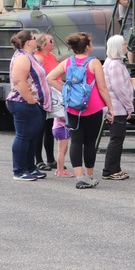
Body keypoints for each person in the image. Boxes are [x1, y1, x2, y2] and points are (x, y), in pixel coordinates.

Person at [46, 32, 113, 189]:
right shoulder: (94, 63)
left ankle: (79, 176)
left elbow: (49, 77)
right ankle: (89, 175)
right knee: (90, 142)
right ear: (88, 47)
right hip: (92, 106)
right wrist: (110, 107)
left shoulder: (68, 62)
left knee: (76, 141)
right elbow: (102, 88)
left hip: (72, 108)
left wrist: (64, 90)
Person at [6, 30, 51, 182]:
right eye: (33, 38)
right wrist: (30, 99)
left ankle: (30, 167)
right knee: (24, 136)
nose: (36, 39)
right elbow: (19, 81)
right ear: (28, 42)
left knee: (31, 137)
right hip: (22, 102)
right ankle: (19, 170)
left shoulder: (29, 56)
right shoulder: (22, 58)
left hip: (32, 103)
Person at [101, 35, 134, 181]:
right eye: (124, 44)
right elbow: (119, 88)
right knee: (117, 138)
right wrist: (129, 106)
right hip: (117, 107)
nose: (127, 46)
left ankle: (115, 168)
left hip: (114, 106)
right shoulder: (115, 65)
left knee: (117, 138)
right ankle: (109, 170)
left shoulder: (112, 62)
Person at [34, 33, 59, 171]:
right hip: (43, 95)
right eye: (51, 40)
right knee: (40, 128)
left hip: (53, 95)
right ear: (43, 44)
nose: (53, 42)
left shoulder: (52, 56)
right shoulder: (39, 58)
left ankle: (50, 158)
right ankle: (38, 159)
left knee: (49, 128)